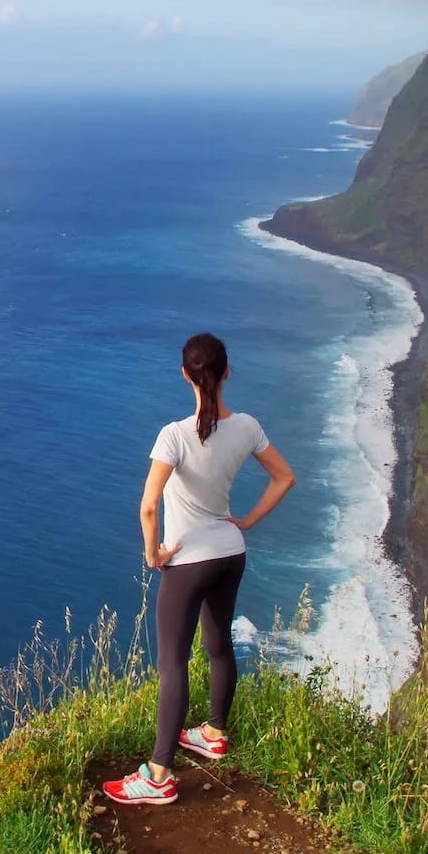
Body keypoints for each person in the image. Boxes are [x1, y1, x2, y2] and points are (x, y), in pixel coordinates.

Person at [102, 332, 296, 806]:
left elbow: (149, 508)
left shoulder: (174, 435)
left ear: (186, 374)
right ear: (226, 372)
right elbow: (285, 476)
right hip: (231, 553)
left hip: (187, 562)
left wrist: (153, 555)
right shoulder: (247, 427)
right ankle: (213, 732)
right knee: (218, 646)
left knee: (173, 665)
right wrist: (248, 520)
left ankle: (159, 774)